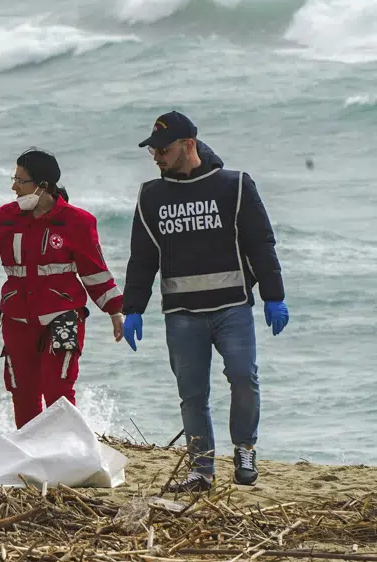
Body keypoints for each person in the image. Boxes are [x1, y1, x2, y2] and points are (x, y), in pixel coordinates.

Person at [123, 111, 289, 491]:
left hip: (232, 306)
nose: (156, 156)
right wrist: (132, 308)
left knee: (244, 377)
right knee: (192, 394)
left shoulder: (235, 185)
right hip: (181, 315)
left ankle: (245, 448)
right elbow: (143, 257)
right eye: (153, 150)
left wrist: (273, 296)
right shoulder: (151, 196)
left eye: (163, 149)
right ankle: (201, 470)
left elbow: (260, 243)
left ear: (189, 145)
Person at [0, 148, 125, 429]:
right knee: (23, 393)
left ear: (42, 185)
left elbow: (94, 271)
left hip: (63, 316)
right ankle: (31, 456)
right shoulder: (6, 216)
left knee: (58, 391)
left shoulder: (78, 222)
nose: (13, 186)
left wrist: (115, 311)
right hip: (17, 319)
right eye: (13, 178)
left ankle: (68, 452)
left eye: (19, 180)